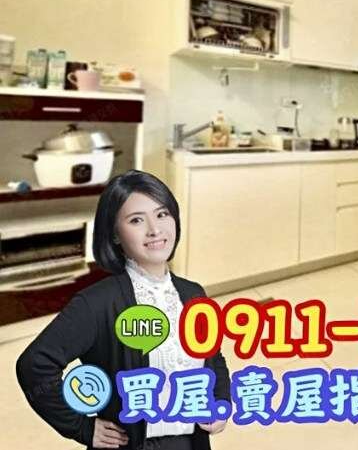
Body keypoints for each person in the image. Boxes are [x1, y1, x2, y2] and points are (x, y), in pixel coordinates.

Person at [16, 170, 230, 449]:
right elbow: (35, 365)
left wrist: (221, 400)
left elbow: (213, 357)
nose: (155, 230)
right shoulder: (97, 303)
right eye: (136, 220)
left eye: (162, 214)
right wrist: (81, 427)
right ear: (115, 234)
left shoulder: (193, 294)